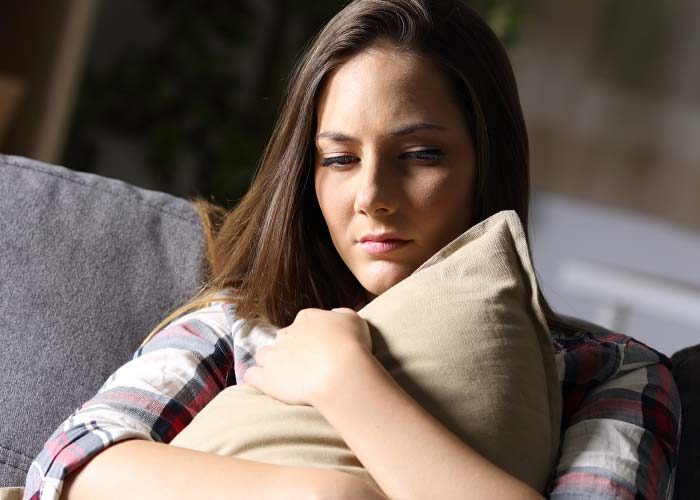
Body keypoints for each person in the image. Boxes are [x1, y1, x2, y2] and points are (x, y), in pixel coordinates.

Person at [24, 1, 681, 499]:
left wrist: (348, 383)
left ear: (488, 163)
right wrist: (320, 494)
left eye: (420, 154)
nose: (371, 195)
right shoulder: (245, 326)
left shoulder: (609, 373)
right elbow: (69, 466)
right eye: (339, 158)